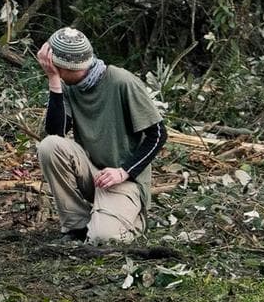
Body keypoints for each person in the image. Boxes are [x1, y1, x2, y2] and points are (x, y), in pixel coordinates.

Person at [35, 27, 166, 244]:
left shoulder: (121, 81)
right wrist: (54, 82)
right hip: (94, 174)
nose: (50, 70)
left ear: (65, 66)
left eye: (53, 67)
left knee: (104, 238)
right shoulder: (68, 87)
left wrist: (125, 171)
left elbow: (158, 134)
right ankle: (77, 225)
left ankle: (133, 220)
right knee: (49, 146)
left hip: (124, 181)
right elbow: (56, 132)